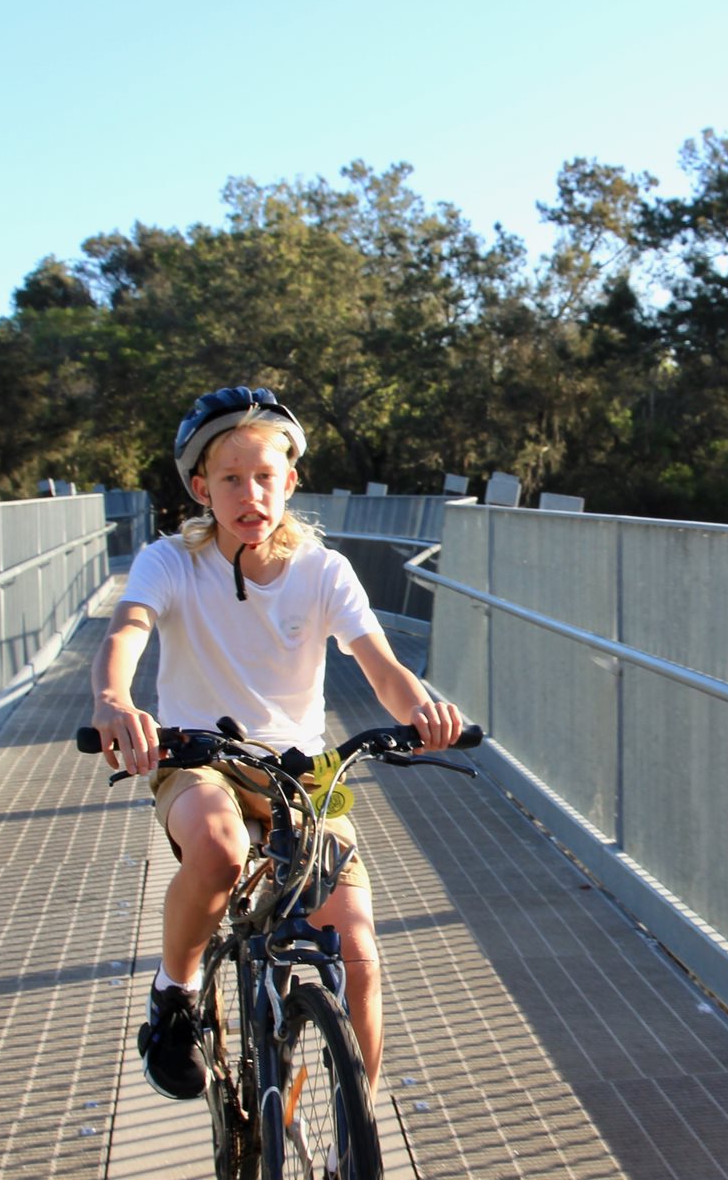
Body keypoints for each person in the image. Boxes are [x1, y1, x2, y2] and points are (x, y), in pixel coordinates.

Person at [91, 385, 462, 1117]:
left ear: (289, 482)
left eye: (264, 476)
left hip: (299, 773)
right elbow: (129, 627)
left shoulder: (322, 571)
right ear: (202, 489)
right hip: (196, 757)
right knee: (221, 850)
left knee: (358, 952)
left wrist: (420, 710)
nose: (250, 494)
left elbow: (381, 664)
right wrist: (113, 699)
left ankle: (354, 1146)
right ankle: (174, 995)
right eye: (230, 478)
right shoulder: (171, 561)